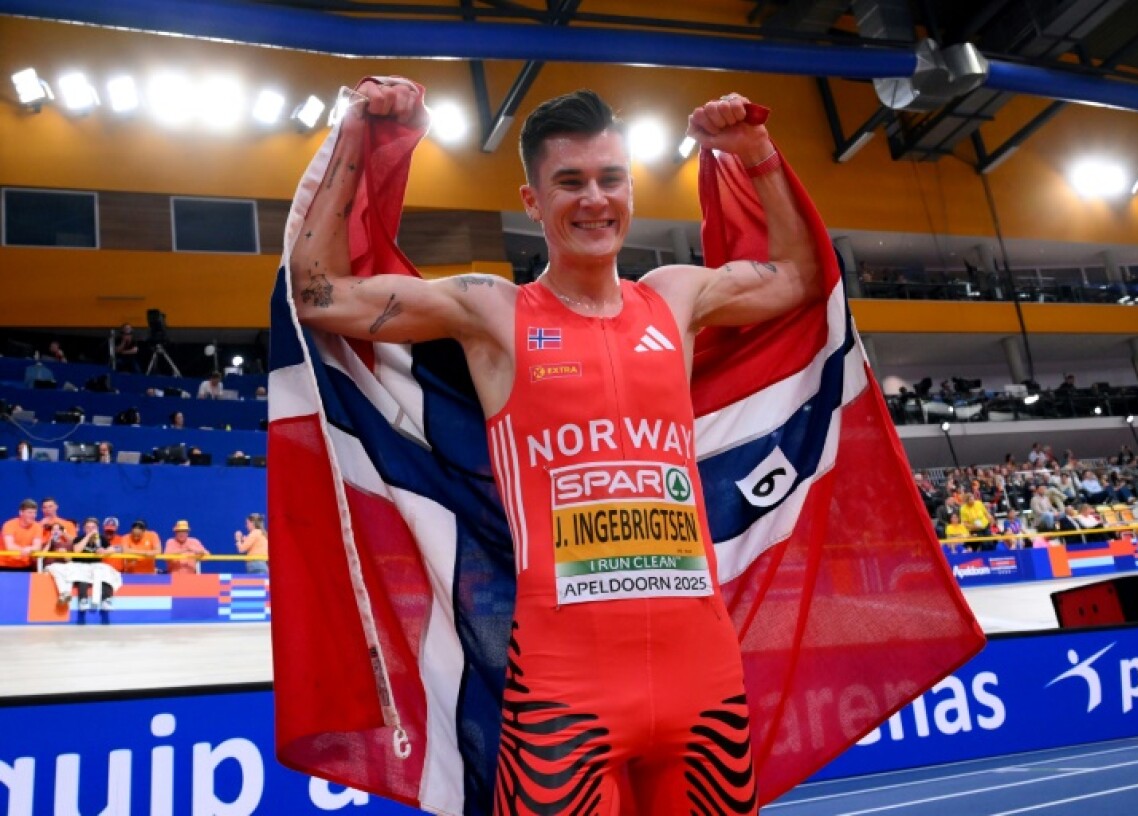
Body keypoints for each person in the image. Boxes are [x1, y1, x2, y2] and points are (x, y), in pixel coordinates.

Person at [287, 79, 826, 814]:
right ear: (533, 201)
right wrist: (357, 134)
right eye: (569, 182)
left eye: (610, 179)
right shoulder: (491, 311)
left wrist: (756, 151)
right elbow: (318, 294)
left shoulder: (676, 297)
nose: (594, 199)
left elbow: (802, 275)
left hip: (704, 686)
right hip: (565, 697)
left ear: (629, 189)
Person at [73, 516, 123, 610]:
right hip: (81, 566)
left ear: (97, 529)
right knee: (82, 577)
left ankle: (106, 600)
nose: (91, 530)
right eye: (88, 527)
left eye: (93, 527)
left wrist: (105, 551)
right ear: (84, 529)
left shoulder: (101, 539)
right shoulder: (79, 539)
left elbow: (113, 549)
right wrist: (88, 536)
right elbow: (76, 550)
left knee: (107, 575)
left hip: (96, 567)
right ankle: (83, 600)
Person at [1, 498, 43, 571]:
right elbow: (10, 546)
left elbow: (37, 546)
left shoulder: (38, 527)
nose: (33, 515)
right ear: (21, 512)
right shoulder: (9, 525)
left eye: (34, 513)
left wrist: (29, 549)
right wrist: (25, 550)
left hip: (25, 565)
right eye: (29, 512)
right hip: (4, 565)